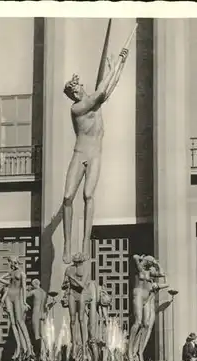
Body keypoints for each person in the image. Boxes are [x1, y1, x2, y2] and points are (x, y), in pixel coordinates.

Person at [62, 48, 129, 264]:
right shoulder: (78, 108)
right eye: (71, 92)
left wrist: (120, 63)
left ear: (81, 86)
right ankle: (67, 244)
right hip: (80, 152)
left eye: (76, 88)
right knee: (67, 198)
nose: (75, 93)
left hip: (95, 155)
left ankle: (85, 243)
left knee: (88, 196)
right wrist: (116, 62)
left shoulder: (97, 102)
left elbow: (112, 84)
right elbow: (102, 89)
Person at [127, 255, 167, 361]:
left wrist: (157, 263)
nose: (150, 265)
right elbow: (134, 257)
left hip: (146, 296)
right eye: (149, 263)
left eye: (150, 264)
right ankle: (129, 351)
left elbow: (162, 273)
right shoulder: (139, 267)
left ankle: (139, 352)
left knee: (146, 324)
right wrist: (142, 258)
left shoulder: (150, 272)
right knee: (138, 322)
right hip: (138, 294)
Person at [0, 255, 34, 361]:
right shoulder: (11, 273)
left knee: (19, 322)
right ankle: (18, 346)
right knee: (12, 323)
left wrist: (24, 301)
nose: (10, 264)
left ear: (15, 262)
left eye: (11, 262)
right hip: (9, 296)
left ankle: (28, 347)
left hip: (17, 296)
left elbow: (23, 288)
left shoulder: (22, 274)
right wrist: (6, 278)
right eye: (9, 262)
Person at [62, 252, 93, 361]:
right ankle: (74, 344)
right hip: (71, 293)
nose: (76, 264)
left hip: (81, 294)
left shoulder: (85, 269)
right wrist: (65, 283)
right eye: (75, 262)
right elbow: (63, 284)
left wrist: (72, 279)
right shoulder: (69, 269)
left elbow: (83, 285)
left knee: (81, 319)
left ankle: (84, 347)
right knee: (72, 320)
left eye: (78, 262)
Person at [26, 279, 47, 361]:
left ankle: (38, 356)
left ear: (34, 284)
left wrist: (27, 289)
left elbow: (23, 296)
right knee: (42, 335)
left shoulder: (34, 292)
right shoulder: (43, 292)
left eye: (32, 285)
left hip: (36, 313)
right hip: (42, 313)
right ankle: (44, 353)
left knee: (36, 336)